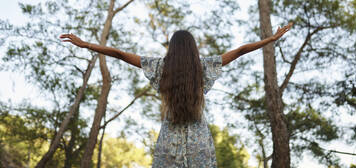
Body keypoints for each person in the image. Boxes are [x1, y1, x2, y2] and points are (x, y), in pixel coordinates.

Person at [59, 22, 292, 168]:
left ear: (172, 48)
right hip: (199, 141)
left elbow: (119, 54)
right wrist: (270, 39)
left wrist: (87, 44)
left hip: (169, 140)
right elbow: (240, 50)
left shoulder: (160, 67)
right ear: (192, 48)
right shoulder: (203, 68)